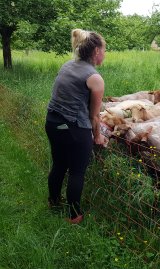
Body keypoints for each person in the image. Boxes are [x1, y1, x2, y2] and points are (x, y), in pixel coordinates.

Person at [45, 28, 108, 224]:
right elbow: (94, 116)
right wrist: (97, 137)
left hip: (53, 122)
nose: (105, 54)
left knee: (59, 164)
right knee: (77, 171)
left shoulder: (67, 66)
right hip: (73, 128)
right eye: (104, 50)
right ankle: (74, 215)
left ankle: (53, 201)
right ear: (96, 51)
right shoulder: (94, 77)